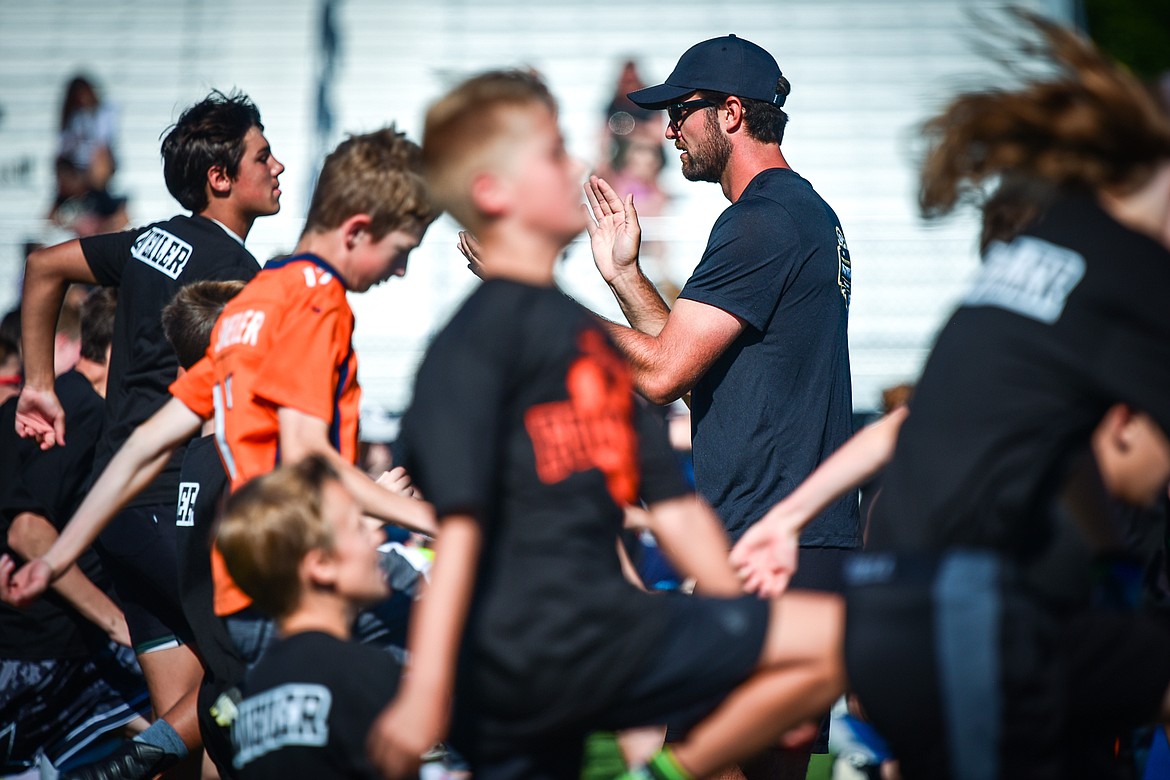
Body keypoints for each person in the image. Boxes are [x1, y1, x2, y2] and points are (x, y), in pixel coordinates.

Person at [366, 68, 845, 780]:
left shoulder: (580, 336)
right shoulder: (468, 349)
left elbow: (675, 499)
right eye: (554, 153)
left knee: (834, 644)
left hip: (615, 626)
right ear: (494, 192)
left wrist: (745, 631)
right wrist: (427, 687)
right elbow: (459, 537)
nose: (579, 166)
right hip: (521, 645)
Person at [733, 14, 1170, 779]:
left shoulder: (1059, 241)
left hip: (906, 605)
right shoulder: (1131, 275)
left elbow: (997, 429)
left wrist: (1111, 565)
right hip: (952, 615)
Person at [0, 124, 438, 644]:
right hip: (293, 590)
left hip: (234, 594)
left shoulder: (254, 300)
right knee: (449, 633)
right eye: (402, 249)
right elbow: (308, 461)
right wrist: (432, 519)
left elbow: (145, 442)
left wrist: (54, 560)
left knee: (206, 713)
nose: (404, 270)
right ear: (357, 231)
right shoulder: (316, 303)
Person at [581, 34, 858, 775]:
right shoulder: (796, 213)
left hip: (777, 550)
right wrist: (625, 276)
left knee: (697, 764)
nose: (669, 128)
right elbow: (690, 359)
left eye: (683, 110)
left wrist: (531, 303)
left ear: (731, 113)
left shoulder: (762, 221)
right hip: (784, 546)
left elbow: (663, 373)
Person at [12, 89, 284, 780]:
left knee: (203, 742)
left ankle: (145, 755)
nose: (278, 166)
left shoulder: (152, 241)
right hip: (179, 507)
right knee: (269, 654)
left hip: (122, 515)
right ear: (220, 178)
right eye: (262, 154)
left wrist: (39, 383)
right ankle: (134, 756)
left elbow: (43, 266)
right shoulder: (243, 278)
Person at [0, 287, 152, 776]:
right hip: (53, 662)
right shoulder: (83, 410)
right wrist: (116, 624)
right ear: (122, 351)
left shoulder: (58, 399)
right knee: (193, 713)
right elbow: (28, 532)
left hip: (52, 654)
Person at [216, 455, 402, 779]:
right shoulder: (366, 673)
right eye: (360, 527)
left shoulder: (251, 692)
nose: (379, 536)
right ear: (321, 565)